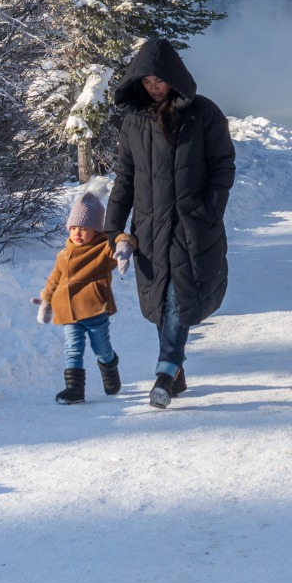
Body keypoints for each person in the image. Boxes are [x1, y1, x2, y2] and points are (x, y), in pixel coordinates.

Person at [104, 38, 236, 409]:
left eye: (159, 79)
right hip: (149, 227)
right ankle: (175, 372)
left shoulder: (204, 114)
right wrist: (114, 229)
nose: (154, 86)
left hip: (192, 226)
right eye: (146, 81)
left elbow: (223, 166)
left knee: (179, 298)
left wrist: (209, 210)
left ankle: (163, 373)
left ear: (174, 76)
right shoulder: (133, 122)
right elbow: (125, 177)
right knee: (162, 301)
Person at [39, 191, 121, 402]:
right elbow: (54, 280)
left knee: (101, 349)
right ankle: (74, 390)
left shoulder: (103, 250)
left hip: (94, 310)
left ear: (96, 230)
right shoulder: (63, 254)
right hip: (68, 312)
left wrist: (124, 245)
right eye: (74, 228)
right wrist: (46, 300)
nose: (77, 233)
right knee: (72, 349)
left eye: (84, 229)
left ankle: (110, 367)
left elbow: (120, 243)